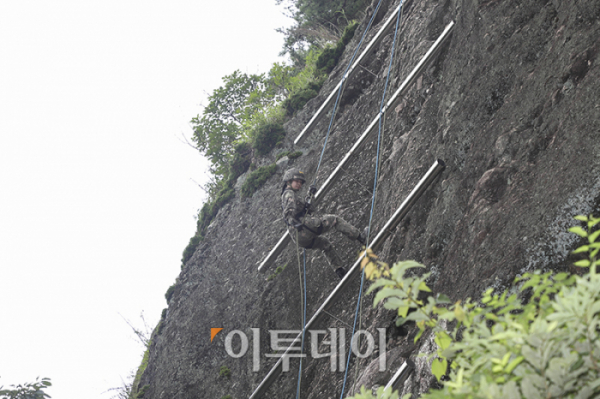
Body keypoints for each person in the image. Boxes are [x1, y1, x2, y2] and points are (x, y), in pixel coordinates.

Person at [281, 168, 367, 278]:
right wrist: (292, 221)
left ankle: (339, 270)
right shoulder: (288, 193)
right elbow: (289, 211)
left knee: (324, 243)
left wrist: (310, 195)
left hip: (299, 239)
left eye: (300, 182)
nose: (299, 184)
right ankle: (361, 237)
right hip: (305, 227)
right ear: (288, 181)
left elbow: (309, 209)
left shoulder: (289, 195)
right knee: (334, 219)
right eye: (296, 181)